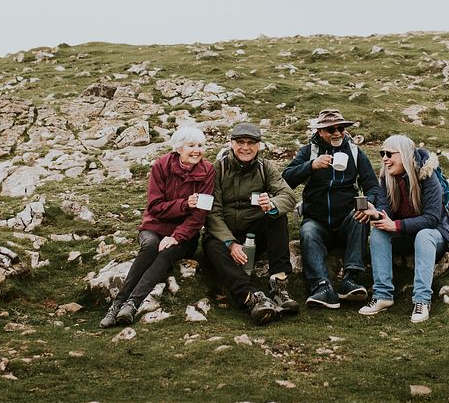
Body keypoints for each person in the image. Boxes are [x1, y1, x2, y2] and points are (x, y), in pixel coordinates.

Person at [99, 125, 214, 328]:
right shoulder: (161, 165)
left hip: (185, 234)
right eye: (191, 145)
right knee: (150, 246)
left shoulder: (208, 171)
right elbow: (155, 206)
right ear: (179, 148)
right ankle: (116, 305)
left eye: (200, 145)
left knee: (165, 253)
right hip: (154, 226)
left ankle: (131, 304)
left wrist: (177, 236)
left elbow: (199, 217)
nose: (197, 150)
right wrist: (184, 204)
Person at [282, 109, 380, 309]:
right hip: (316, 220)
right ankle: (321, 287)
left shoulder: (354, 152)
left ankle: (350, 279)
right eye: (330, 129)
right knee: (308, 231)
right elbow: (285, 180)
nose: (337, 133)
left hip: (346, 220)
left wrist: (368, 203)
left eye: (341, 128)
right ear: (320, 132)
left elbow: (372, 186)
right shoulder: (309, 151)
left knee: (360, 217)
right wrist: (311, 166)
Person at [203, 123, 299, 324]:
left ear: (258, 146)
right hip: (225, 234)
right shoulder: (217, 169)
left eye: (251, 143)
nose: (245, 147)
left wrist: (272, 204)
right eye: (240, 142)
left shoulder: (265, 167)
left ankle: (279, 284)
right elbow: (213, 211)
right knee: (212, 245)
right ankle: (251, 297)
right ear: (231, 143)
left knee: (277, 217)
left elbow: (288, 196)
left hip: (254, 233)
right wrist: (230, 243)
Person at [355, 134, 449, 323]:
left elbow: (432, 218)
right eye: (383, 153)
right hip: (406, 235)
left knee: (423, 235)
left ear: (404, 155)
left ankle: (422, 300)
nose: (384, 159)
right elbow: (385, 207)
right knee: (379, 231)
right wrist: (376, 213)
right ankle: (383, 295)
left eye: (389, 154)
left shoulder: (428, 176)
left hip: (434, 236)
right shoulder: (386, 178)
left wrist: (396, 225)